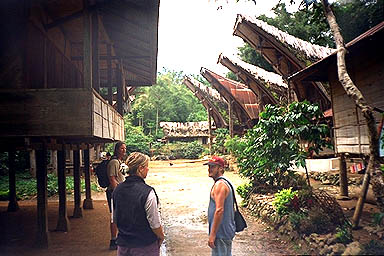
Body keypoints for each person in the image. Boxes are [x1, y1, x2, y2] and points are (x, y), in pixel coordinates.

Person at [113, 152, 165, 256]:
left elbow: (115, 219)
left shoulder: (117, 190)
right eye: (147, 167)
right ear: (140, 168)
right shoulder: (148, 192)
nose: (148, 169)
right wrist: (161, 237)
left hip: (123, 246)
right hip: (144, 246)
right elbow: (154, 224)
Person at [204, 156, 236, 256]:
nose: (210, 169)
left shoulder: (220, 185)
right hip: (224, 230)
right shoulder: (225, 182)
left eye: (213, 166)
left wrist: (212, 235)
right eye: (209, 166)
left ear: (221, 168)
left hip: (221, 232)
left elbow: (219, 210)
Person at [106, 141, 127, 250]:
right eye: (122, 148)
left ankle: (118, 238)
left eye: (125, 148)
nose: (124, 150)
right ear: (117, 149)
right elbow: (112, 178)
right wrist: (118, 192)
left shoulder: (119, 161)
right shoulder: (114, 162)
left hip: (118, 191)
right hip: (114, 192)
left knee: (119, 215)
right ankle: (113, 240)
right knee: (114, 216)